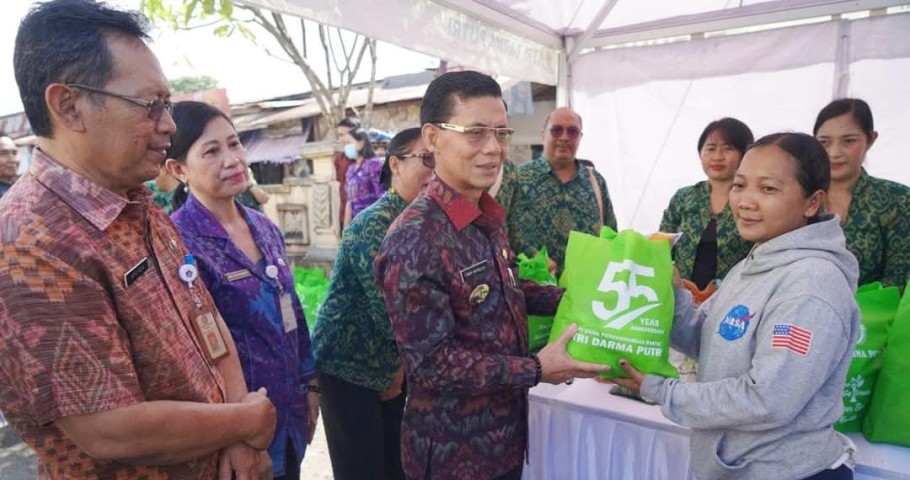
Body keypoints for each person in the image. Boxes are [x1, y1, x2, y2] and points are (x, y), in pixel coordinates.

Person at [0, 1, 276, 478]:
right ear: (69, 105)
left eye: (165, 105)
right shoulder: (29, 242)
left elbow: (204, 315)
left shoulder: (138, 203)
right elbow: (108, 428)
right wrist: (246, 418)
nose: (168, 123)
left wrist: (236, 433)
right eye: (151, 105)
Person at [374, 70, 610, 480]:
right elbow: (432, 363)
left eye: (501, 133)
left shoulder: (485, 215)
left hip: (504, 439)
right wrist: (534, 369)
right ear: (433, 138)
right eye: (476, 133)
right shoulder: (414, 238)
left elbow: (510, 287)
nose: (494, 149)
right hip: (452, 454)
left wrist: (586, 296)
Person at [612, 132, 860, 480]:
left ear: (812, 202)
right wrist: (669, 293)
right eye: (740, 185)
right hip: (738, 468)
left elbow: (769, 399)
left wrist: (662, 391)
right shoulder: (754, 262)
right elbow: (707, 337)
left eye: (768, 189)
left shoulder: (811, 285)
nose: (745, 201)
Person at [165, 101, 318, 480]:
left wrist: (311, 385)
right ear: (178, 169)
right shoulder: (176, 243)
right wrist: (233, 432)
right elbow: (189, 358)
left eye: (234, 144)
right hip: (234, 439)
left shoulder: (263, 227)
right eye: (212, 151)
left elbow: (292, 310)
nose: (232, 159)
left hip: (289, 419)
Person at [314, 127, 434, 480]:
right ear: (395, 164)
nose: (435, 170)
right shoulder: (375, 225)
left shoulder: (427, 221)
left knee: (396, 468)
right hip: (348, 369)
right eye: (426, 159)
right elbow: (391, 311)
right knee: (362, 469)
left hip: (394, 365)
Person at [813, 98, 910, 290]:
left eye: (848, 141)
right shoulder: (799, 196)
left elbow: (900, 280)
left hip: (870, 315)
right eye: (824, 142)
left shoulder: (898, 199)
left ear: (870, 139)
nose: (834, 153)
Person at [507, 107, 617, 273]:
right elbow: (501, 230)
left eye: (572, 131)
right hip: (533, 288)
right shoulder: (517, 177)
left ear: (580, 137)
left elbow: (611, 234)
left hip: (585, 287)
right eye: (556, 130)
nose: (564, 137)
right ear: (543, 134)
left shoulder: (595, 182)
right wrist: (532, 255)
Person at [660, 118, 755, 293]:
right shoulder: (685, 197)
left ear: (745, 154)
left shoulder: (751, 200)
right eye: (710, 149)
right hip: (681, 297)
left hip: (733, 296)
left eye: (728, 148)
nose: (718, 157)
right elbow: (662, 247)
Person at [341, 120, 384, 225]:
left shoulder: (373, 165)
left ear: (361, 143)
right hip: (355, 225)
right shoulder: (351, 169)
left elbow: (382, 196)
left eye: (349, 143)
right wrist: (346, 233)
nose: (346, 147)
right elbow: (349, 202)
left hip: (373, 223)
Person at [334, 117, 359, 230]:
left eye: (345, 134)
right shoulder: (339, 160)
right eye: (340, 135)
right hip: (345, 215)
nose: (343, 139)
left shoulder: (370, 161)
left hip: (366, 216)